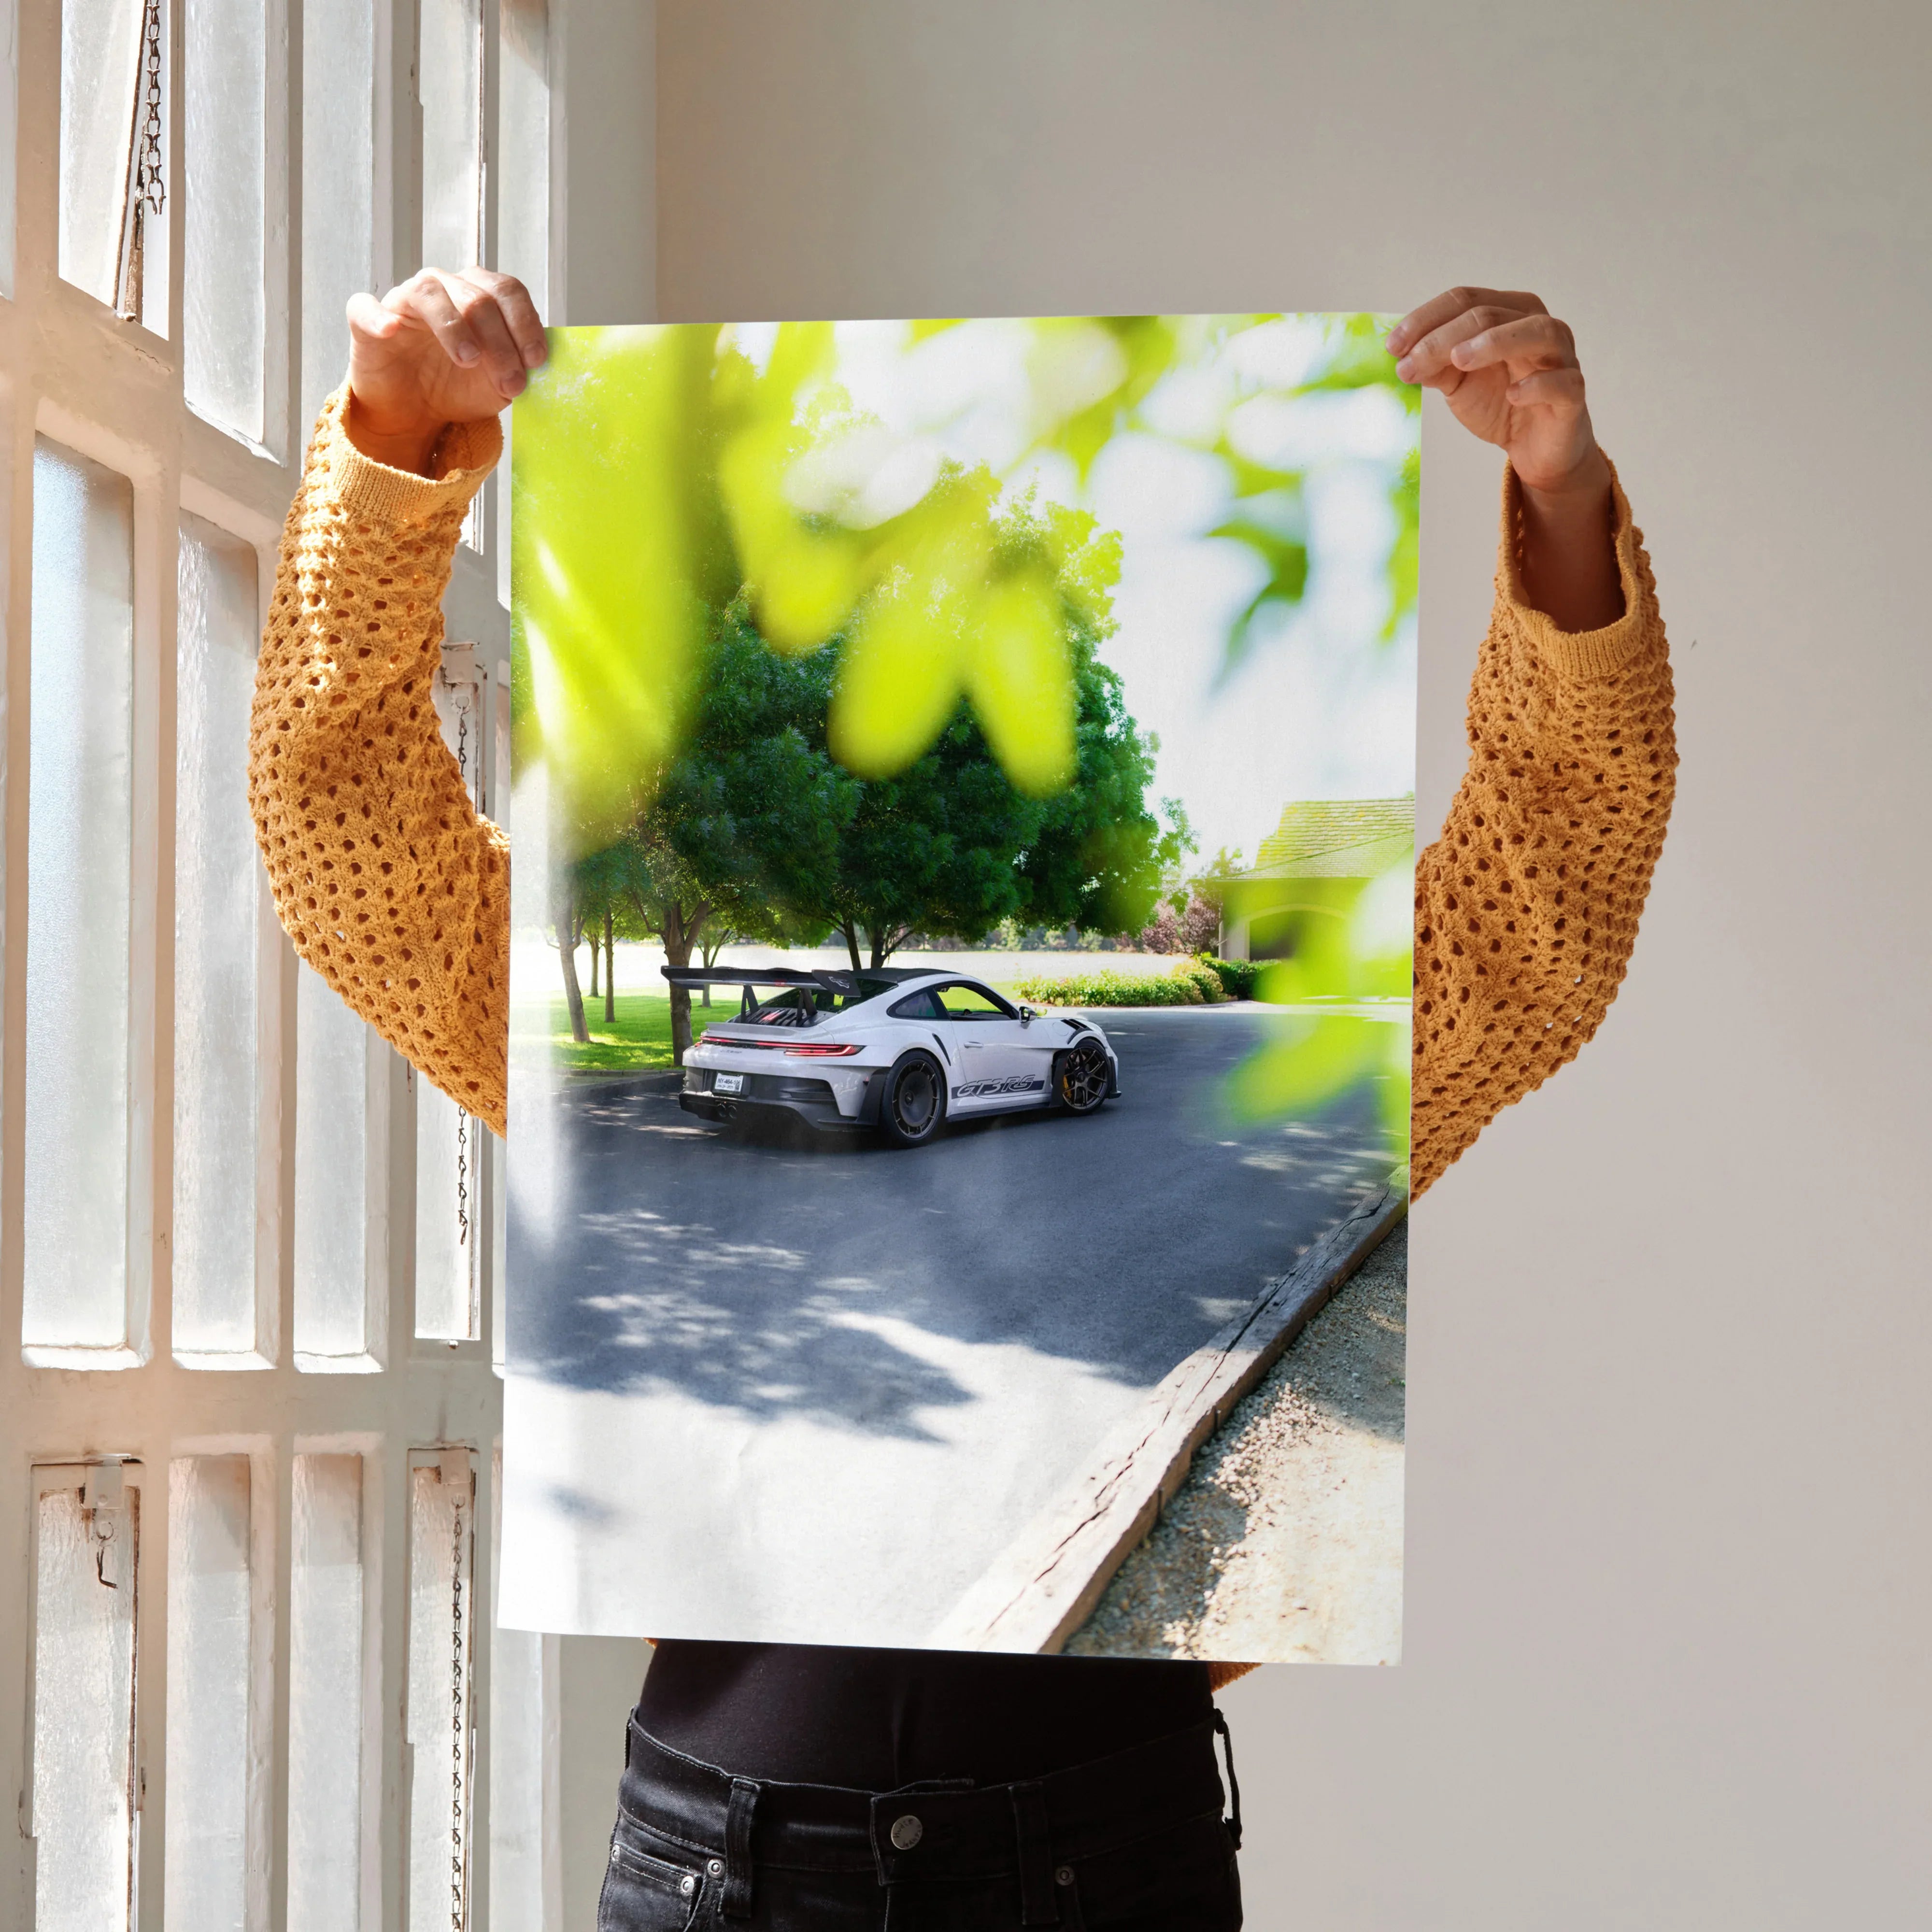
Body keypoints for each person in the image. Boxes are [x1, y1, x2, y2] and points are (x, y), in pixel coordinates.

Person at [250, 272, 1675, 1930]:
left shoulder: (1282, 1089)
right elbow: (346, 843)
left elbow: (1546, 901)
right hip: (726, 1869)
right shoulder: (637, 1096)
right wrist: (392, 450)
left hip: (1100, 1854)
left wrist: (1561, 498)